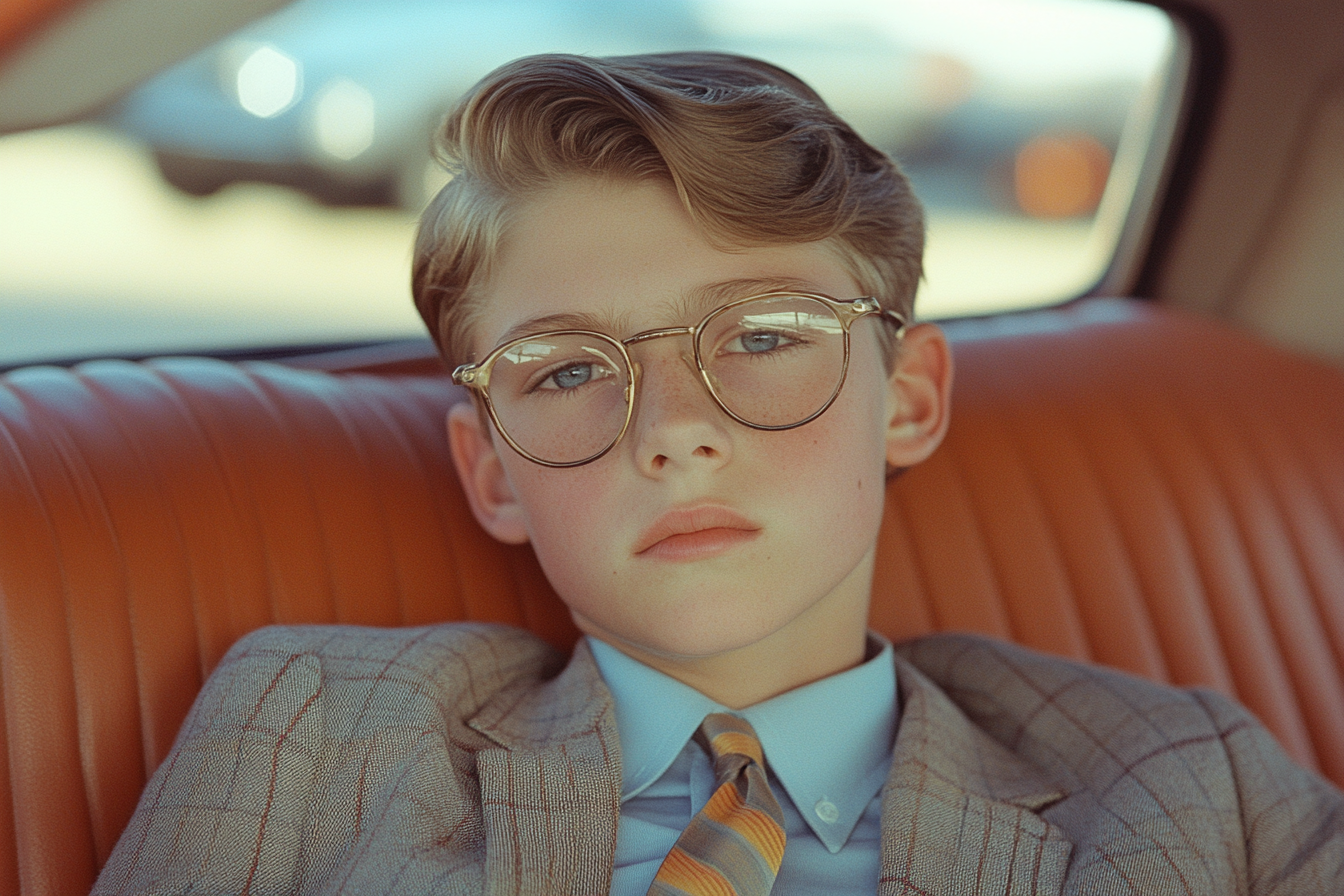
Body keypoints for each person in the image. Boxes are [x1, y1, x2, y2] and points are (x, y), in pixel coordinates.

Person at [93, 52, 1343, 895]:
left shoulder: (1194, 782)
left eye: (761, 339)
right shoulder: (317, 729)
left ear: (906, 400)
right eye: (569, 370)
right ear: (493, 474)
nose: (672, 431)